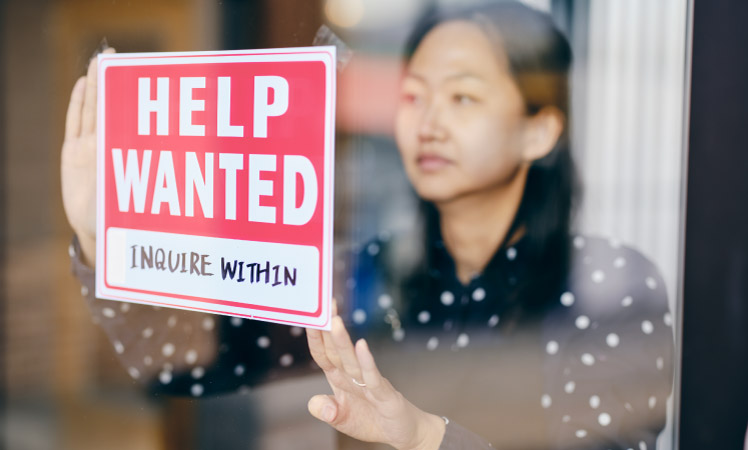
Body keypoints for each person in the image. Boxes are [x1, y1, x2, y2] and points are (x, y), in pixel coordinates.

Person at [62, 2, 673, 449]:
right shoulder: (367, 269)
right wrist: (103, 235)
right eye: (412, 96)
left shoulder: (608, 284)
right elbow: (203, 374)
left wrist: (424, 435)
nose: (427, 122)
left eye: (462, 98)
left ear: (538, 130)